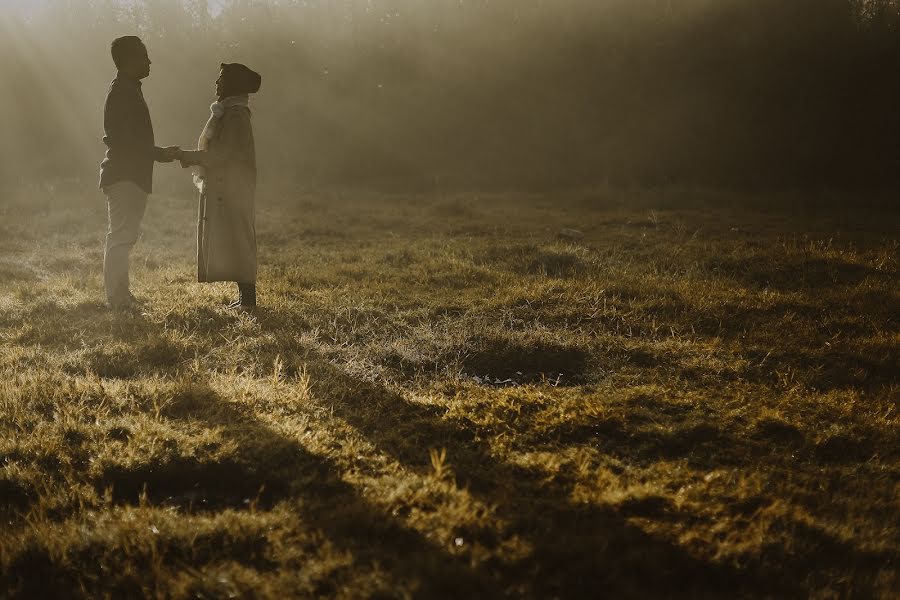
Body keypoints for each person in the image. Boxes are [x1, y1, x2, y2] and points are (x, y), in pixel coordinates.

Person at [99, 36, 180, 310]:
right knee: (121, 237)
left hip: (128, 175)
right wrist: (158, 153)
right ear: (130, 60)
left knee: (123, 237)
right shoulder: (122, 91)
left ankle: (122, 295)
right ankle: (119, 300)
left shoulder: (128, 89)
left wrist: (158, 153)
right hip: (125, 175)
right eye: (144, 56)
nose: (149, 61)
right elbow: (119, 139)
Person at [177, 63, 261, 310]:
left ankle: (249, 300)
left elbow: (223, 155)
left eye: (221, 78)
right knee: (235, 238)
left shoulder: (235, 115)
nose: (216, 83)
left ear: (233, 83)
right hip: (229, 186)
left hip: (234, 187)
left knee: (239, 238)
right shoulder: (230, 112)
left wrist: (187, 156)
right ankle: (245, 298)